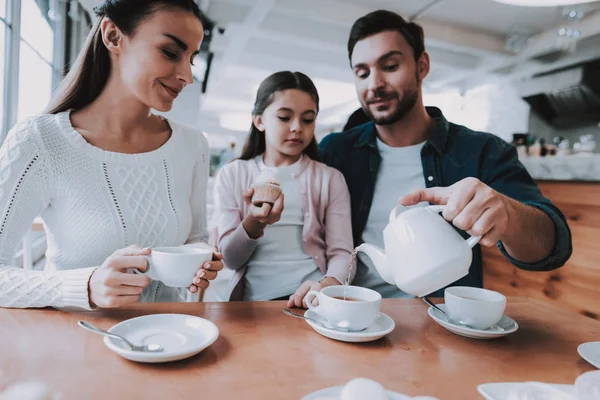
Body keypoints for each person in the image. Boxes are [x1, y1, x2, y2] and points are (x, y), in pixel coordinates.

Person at [320, 10, 572, 298]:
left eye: (389, 66)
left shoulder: (482, 151)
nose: (374, 84)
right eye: (362, 73)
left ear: (422, 65)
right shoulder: (334, 152)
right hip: (351, 318)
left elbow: (553, 247)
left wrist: (508, 213)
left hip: (446, 326)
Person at [0, 0, 223, 310]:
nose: (187, 75)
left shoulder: (193, 145)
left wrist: (198, 261)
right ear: (114, 36)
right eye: (170, 53)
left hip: (171, 340)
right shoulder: (39, 141)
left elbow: (195, 238)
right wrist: (86, 286)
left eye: (192, 59)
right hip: (78, 345)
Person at [212, 71, 353, 307]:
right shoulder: (232, 174)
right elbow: (230, 259)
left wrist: (326, 286)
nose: (297, 127)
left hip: (309, 302)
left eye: (307, 120)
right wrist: (255, 223)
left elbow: (342, 252)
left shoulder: (330, 179)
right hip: (251, 306)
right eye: (284, 117)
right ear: (259, 120)